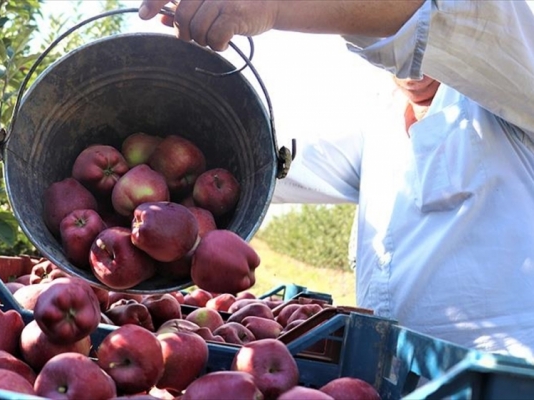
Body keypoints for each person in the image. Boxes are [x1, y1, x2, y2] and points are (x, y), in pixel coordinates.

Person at [138, 0, 534, 360]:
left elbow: (454, 17)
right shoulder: (381, 121)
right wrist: (163, 155)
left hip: (504, 378)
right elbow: (268, 166)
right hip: (394, 375)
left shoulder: (516, 89)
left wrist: (272, 8)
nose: (413, 68)